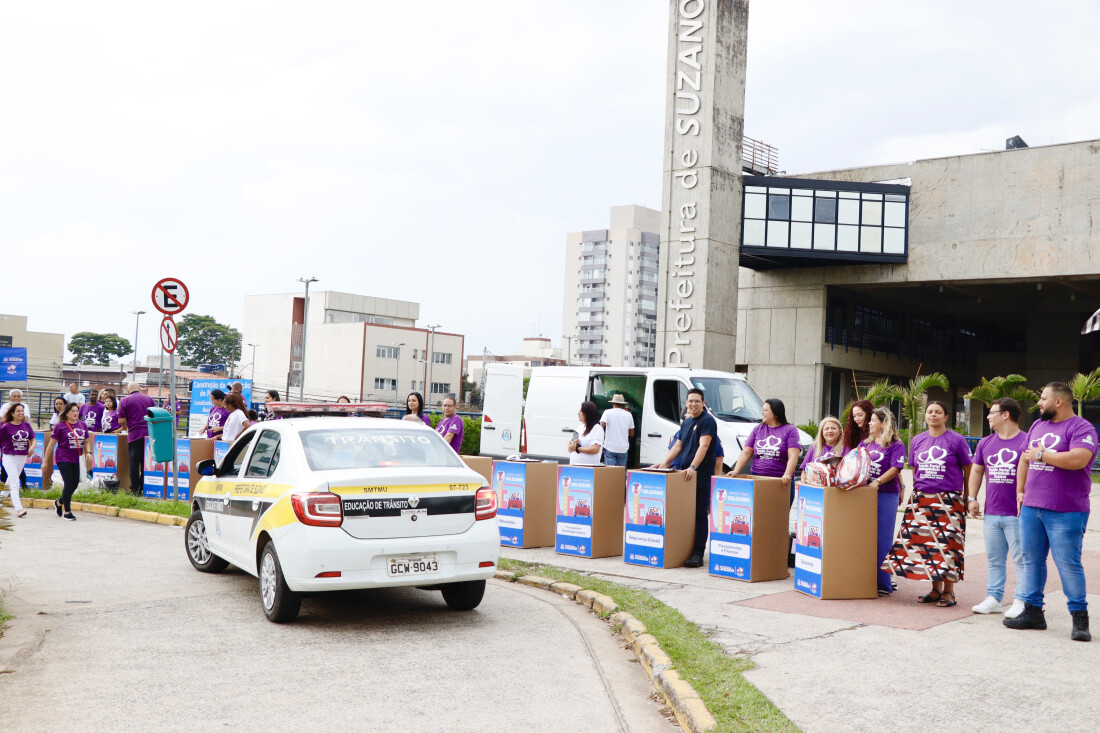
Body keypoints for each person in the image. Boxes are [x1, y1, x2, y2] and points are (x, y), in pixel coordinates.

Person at [1004, 382, 1097, 642]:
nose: (1039, 403)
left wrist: (1043, 455)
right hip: (1033, 508)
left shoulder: (1081, 427)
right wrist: (1020, 491)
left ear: (1058, 402)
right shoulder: (1037, 425)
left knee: (1068, 563)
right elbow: (1025, 458)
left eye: (1043, 398)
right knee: (1031, 561)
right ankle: (1033, 611)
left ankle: (1079, 618)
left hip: (1066, 510)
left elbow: (1078, 459)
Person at [884, 401, 972, 608]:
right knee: (928, 546)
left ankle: (949, 592)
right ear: (925, 416)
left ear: (946, 417)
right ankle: (935, 589)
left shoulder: (956, 440)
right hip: (922, 498)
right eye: (930, 412)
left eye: (938, 412)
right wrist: (915, 496)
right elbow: (914, 469)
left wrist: (968, 497)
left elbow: (969, 469)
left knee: (948, 545)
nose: (933, 415)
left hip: (949, 499)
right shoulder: (917, 440)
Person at [967, 398, 1028, 617]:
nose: (988, 416)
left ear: (1006, 414)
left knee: (1022, 559)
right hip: (992, 512)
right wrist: (972, 498)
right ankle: (993, 598)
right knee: (994, 559)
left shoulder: (1027, 441)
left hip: (1019, 513)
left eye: (992, 412)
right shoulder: (985, 443)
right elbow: (976, 471)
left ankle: (1022, 599)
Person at [653, 388, 717, 568]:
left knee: (699, 514)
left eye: (697, 401)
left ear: (703, 403)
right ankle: (682, 550)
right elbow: (678, 445)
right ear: (686, 403)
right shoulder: (687, 422)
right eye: (690, 401)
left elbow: (703, 446)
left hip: (700, 474)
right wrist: (664, 463)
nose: (693, 404)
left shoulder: (708, 421)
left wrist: (693, 467)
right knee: (684, 514)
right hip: (684, 475)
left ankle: (698, 553)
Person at [862, 408, 907, 596]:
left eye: (873, 420)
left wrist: (877, 482)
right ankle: (864, 580)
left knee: (882, 540)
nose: (869, 423)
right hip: (864, 496)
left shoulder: (896, 444)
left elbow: (896, 468)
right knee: (864, 538)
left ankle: (883, 583)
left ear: (883, 423)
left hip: (886, 494)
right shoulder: (866, 444)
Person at [728, 398, 801, 505]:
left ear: (775, 413)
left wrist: (787, 474)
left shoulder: (790, 430)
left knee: (778, 515)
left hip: (780, 481)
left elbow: (793, 456)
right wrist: (736, 471)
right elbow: (746, 452)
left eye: (765, 410)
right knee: (758, 514)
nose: (762, 412)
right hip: (758, 478)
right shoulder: (758, 429)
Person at [50, 402, 91, 520]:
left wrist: (88, 452)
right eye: (72, 411)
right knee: (69, 483)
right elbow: (51, 445)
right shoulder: (60, 426)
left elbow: (86, 441)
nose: (75, 413)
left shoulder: (82, 425)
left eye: (77, 411)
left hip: (77, 457)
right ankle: (67, 512)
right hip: (63, 457)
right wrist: (45, 461)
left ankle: (59, 502)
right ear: (67, 413)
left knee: (75, 483)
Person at [117, 381, 155, 494]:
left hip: (134, 436)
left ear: (128, 390)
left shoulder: (124, 400)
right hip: (149, 435)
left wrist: (125, 425)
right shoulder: (149, 399)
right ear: (139, 388)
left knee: (134, 464)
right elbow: (155, 414)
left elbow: (121, 421)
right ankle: (144, 487)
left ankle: (135, 489)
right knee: (146, 463)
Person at [1, 403, 36, 517]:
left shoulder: (26, 425)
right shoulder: (6, 426)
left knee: (10, 482)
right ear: (12, 413)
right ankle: (19, 509)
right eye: (18, 411)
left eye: (22, 411)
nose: (21, 413)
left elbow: (33, 438)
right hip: (9, 457)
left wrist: (32, 446)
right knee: (15, 482)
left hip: (22, 457)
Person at [0, 389, 30, 489]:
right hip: (7, 437)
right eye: (14, 396)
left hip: (20, 438)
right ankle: (3, 484)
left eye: (18, 396)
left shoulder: (24, 406)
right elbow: (2, 419)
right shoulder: (5, 406)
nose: (16, 398)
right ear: (10, 397)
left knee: (19, 464)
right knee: (6, 463)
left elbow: (25, 419)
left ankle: (23, 484)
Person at [800, 416, 845, 481]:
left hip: (835, 489)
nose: (830, 431)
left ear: (840, 431)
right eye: (826, 429)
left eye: (833, 428)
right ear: (822, 432)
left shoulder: (846, 448)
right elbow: (804, 471)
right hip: (814, 488)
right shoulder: (814, 448)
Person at [600, 394, 635, 468]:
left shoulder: (607, 412)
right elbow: (632, 434)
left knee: (611, 473)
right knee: (621, 474)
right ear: (623, 405)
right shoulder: (629, 415)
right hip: (623, 448)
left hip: (610, 447)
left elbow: (600, 428)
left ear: (612, 403)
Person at [567, 401, 604, 466]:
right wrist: (571, 446)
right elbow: (570, 448)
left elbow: (595, 449)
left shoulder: (597, 428)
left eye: (581, 411)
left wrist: (576, 448)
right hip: (574, 466)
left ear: (588, 413)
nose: (578, 413)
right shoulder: (579, 428)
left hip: (588, 468)